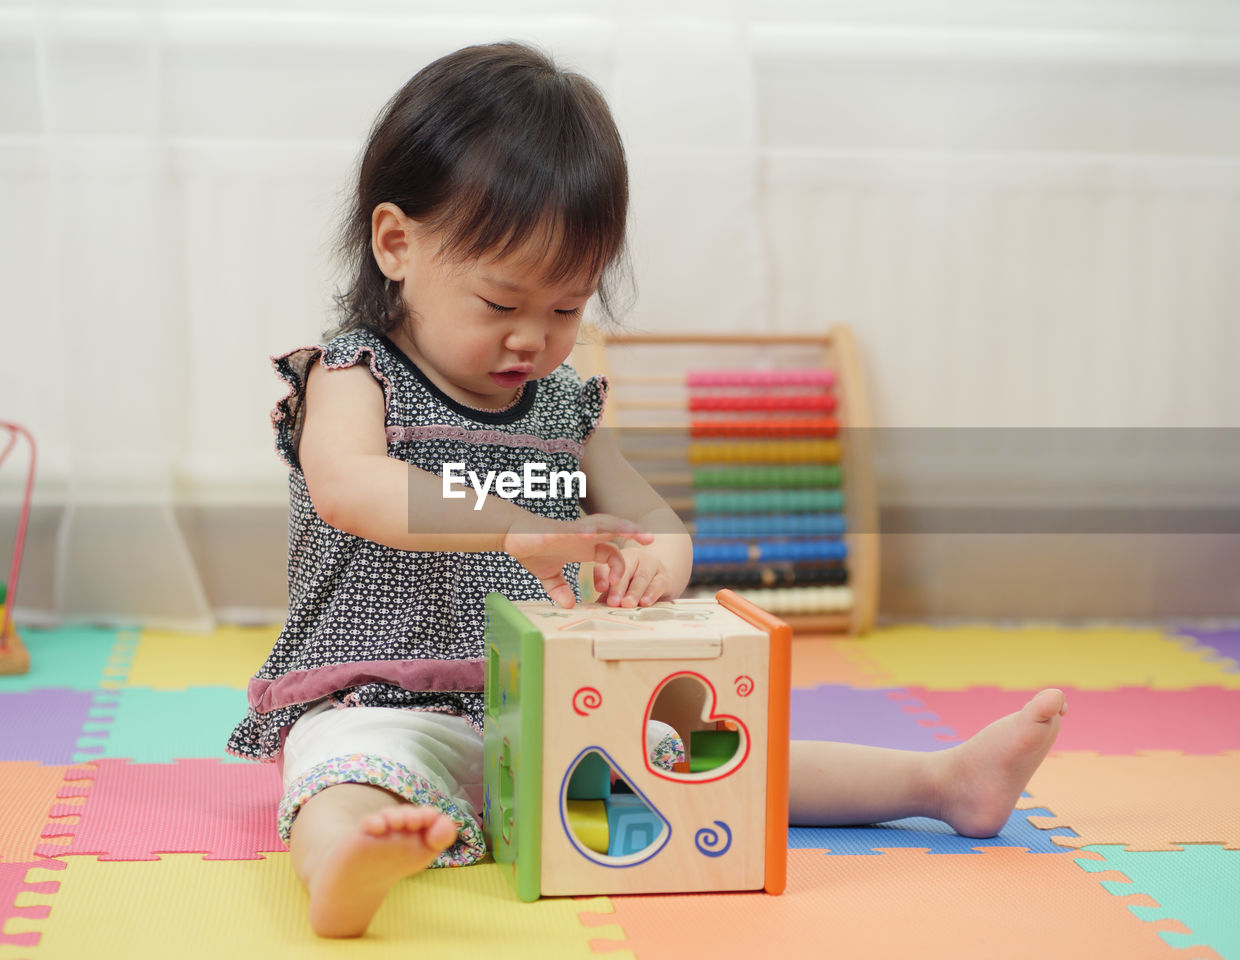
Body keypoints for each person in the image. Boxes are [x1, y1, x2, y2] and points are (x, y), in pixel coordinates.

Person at [227, 41, 1067, 939]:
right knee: (345, 776)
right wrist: (517, 530)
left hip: (544, 705)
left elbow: (651, 520)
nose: (533, 341)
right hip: (380, 699)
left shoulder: (559, 408)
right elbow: (355, 488)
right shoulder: (356, 374)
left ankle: (941, 783)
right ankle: (348, 867)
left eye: (565, 308)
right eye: (501, 305)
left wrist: (657, 564)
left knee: (716, 761)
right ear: (397, 243)